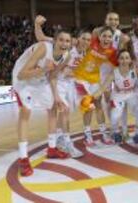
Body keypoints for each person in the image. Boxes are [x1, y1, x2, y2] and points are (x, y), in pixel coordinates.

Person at [12, 30, 72, 176]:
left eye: (67, 41)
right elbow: (21, 74)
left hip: (40, 78)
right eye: (61, 40)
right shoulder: (44, 48)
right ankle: (23, 158)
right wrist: (44, 69)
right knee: (26, 111)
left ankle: (52, 148)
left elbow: (52, 75)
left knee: (52, 107)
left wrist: (56, 96)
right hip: (23, 79)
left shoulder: (67, 56)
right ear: (55, 41)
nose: (64, 43)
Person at [34, 15, 91, 158]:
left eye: (88, 40)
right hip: (56, 81)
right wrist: (37, 25)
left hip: (69, 84)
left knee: (67, 112)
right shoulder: (66, 44)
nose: (86, 41)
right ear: (76, 39)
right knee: (64, 111)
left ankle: (60, 136)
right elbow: (41, 37)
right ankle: (66, 141)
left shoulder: (85, 53)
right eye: (83, 38)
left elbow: (77, 71)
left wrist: (74, 73)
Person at [73, 26, 118, 148]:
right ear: (99, 37)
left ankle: (104, 133)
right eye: (104, 36)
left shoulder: (113, 52)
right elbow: (81, 40)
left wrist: (103, 88)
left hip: (94, 80)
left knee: (99, 106)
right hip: (81, 78)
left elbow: (113, 72)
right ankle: (87, 135)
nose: (106, 39)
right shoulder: (91, 42)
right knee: (88, 106)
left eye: (109, 36)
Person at [94, 49, 138, 146]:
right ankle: (116, 132)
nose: (124, 60)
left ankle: (137, 134)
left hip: (132, 93)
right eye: (122, 58)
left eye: (126, 58)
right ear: (118, 60)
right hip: (118, 95)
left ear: (130, 60)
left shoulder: (135, 70)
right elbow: (104, 86)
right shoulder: (114, 72)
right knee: (114, 116)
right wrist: (95, 95)